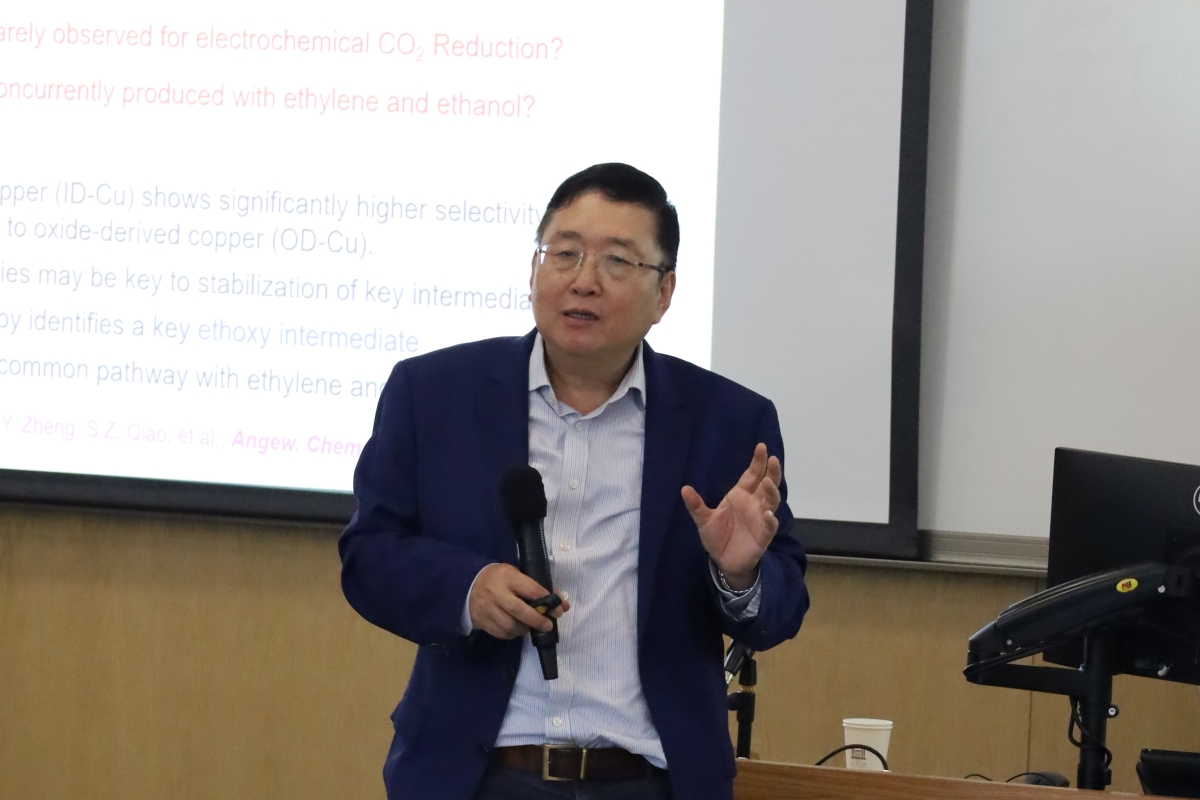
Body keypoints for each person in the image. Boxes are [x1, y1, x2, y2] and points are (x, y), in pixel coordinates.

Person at [340, 163, 809, 800]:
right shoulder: (433, 394)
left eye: (617, 262)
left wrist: (739, 575)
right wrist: (468, 590)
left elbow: (781, 610)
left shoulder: (728, 422)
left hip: (651, 781)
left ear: (664, 293)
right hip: (476, 777)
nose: (583, 280)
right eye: (564, 253)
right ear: (534, 268)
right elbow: (369, 557)